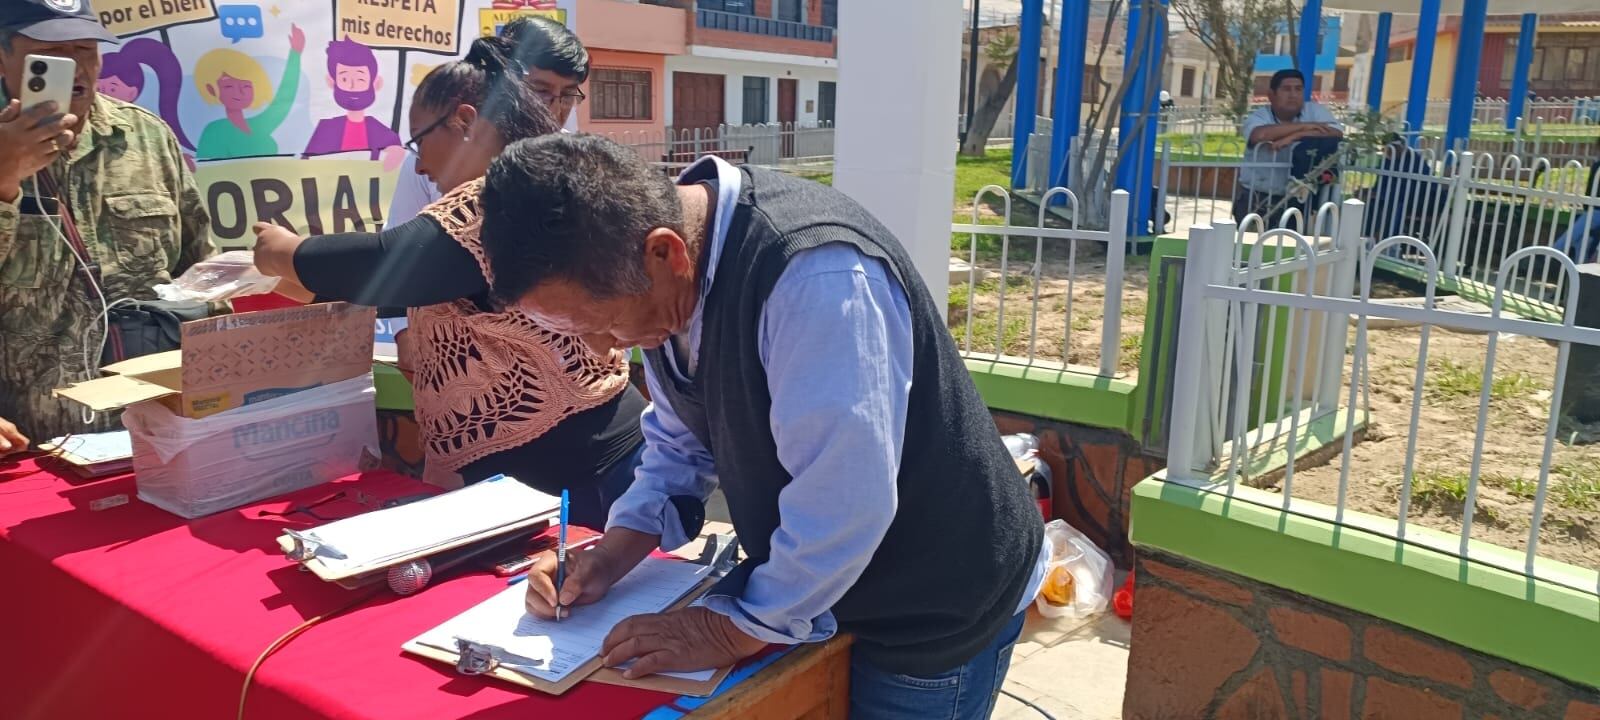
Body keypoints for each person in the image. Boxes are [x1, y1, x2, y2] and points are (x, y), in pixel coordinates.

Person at [479, 135, 1050, 718]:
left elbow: (847, 497)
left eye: (601, 324)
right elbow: (679, 441)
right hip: (831, 583)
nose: (601, 347)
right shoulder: (656, 283)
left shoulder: (814, 278)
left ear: (665, 254)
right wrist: (612, 553)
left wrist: (736, 629)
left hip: (932, 601)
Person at [250, 37, 644, 528]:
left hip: (585, 474)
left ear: (464, 121)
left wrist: (282, 252)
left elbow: (385, 262)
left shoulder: (496, 203)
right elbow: (425, 285)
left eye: (419, 140)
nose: (418, 163)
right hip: (572, 466)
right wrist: (294, 282)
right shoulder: (524, 192)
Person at [0, 0, 213, 454]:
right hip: (28, 444)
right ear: (3, 55)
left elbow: (199, 271)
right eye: (52, 55)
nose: (75, 67)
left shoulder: (146, 136)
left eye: (85, 49)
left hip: (161, 427)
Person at [386, 16, 587, 223]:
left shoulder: (580, 163)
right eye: (541, 90)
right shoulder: (431, 162)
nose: (554, 108)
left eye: (568, 95)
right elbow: (398, 244)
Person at [1235, 69, 1344, 228]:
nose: (1293, 95)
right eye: (1286, 89)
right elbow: (1259, 135)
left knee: (1290, 249)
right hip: (1257, 198)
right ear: (1271, 95)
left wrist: (1293, 137)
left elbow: (1336, 133)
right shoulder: (1260, 116)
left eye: (1298, 89)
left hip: (1298, 199)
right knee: (1250, 249)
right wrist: (1306, 127)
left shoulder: (1314, 110)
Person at [193, 24, 305, 160]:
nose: (239, 92)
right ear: (211, 90)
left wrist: (295, 54)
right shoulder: (214, 131)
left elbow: (285, 97)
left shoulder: (259, 125)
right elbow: (205, 168)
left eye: (246, 86)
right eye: (229, 86)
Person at [302, 36, 404, 166]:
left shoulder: (385, 135)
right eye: (344, 79)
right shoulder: (325, 129)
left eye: (360, 79)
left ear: (376, 83)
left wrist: (396, 152)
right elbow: (306, 165)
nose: (352, 86)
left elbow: (396, 162)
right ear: (332, 82)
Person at [1552, 158, 1600, 263]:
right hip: (1593, 209)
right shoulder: (1597, 165)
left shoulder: (1597, 165)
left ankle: (1551, 253)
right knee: (1582, 242)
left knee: (1573, 237)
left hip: (1595, 210)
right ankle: (1579, 271)